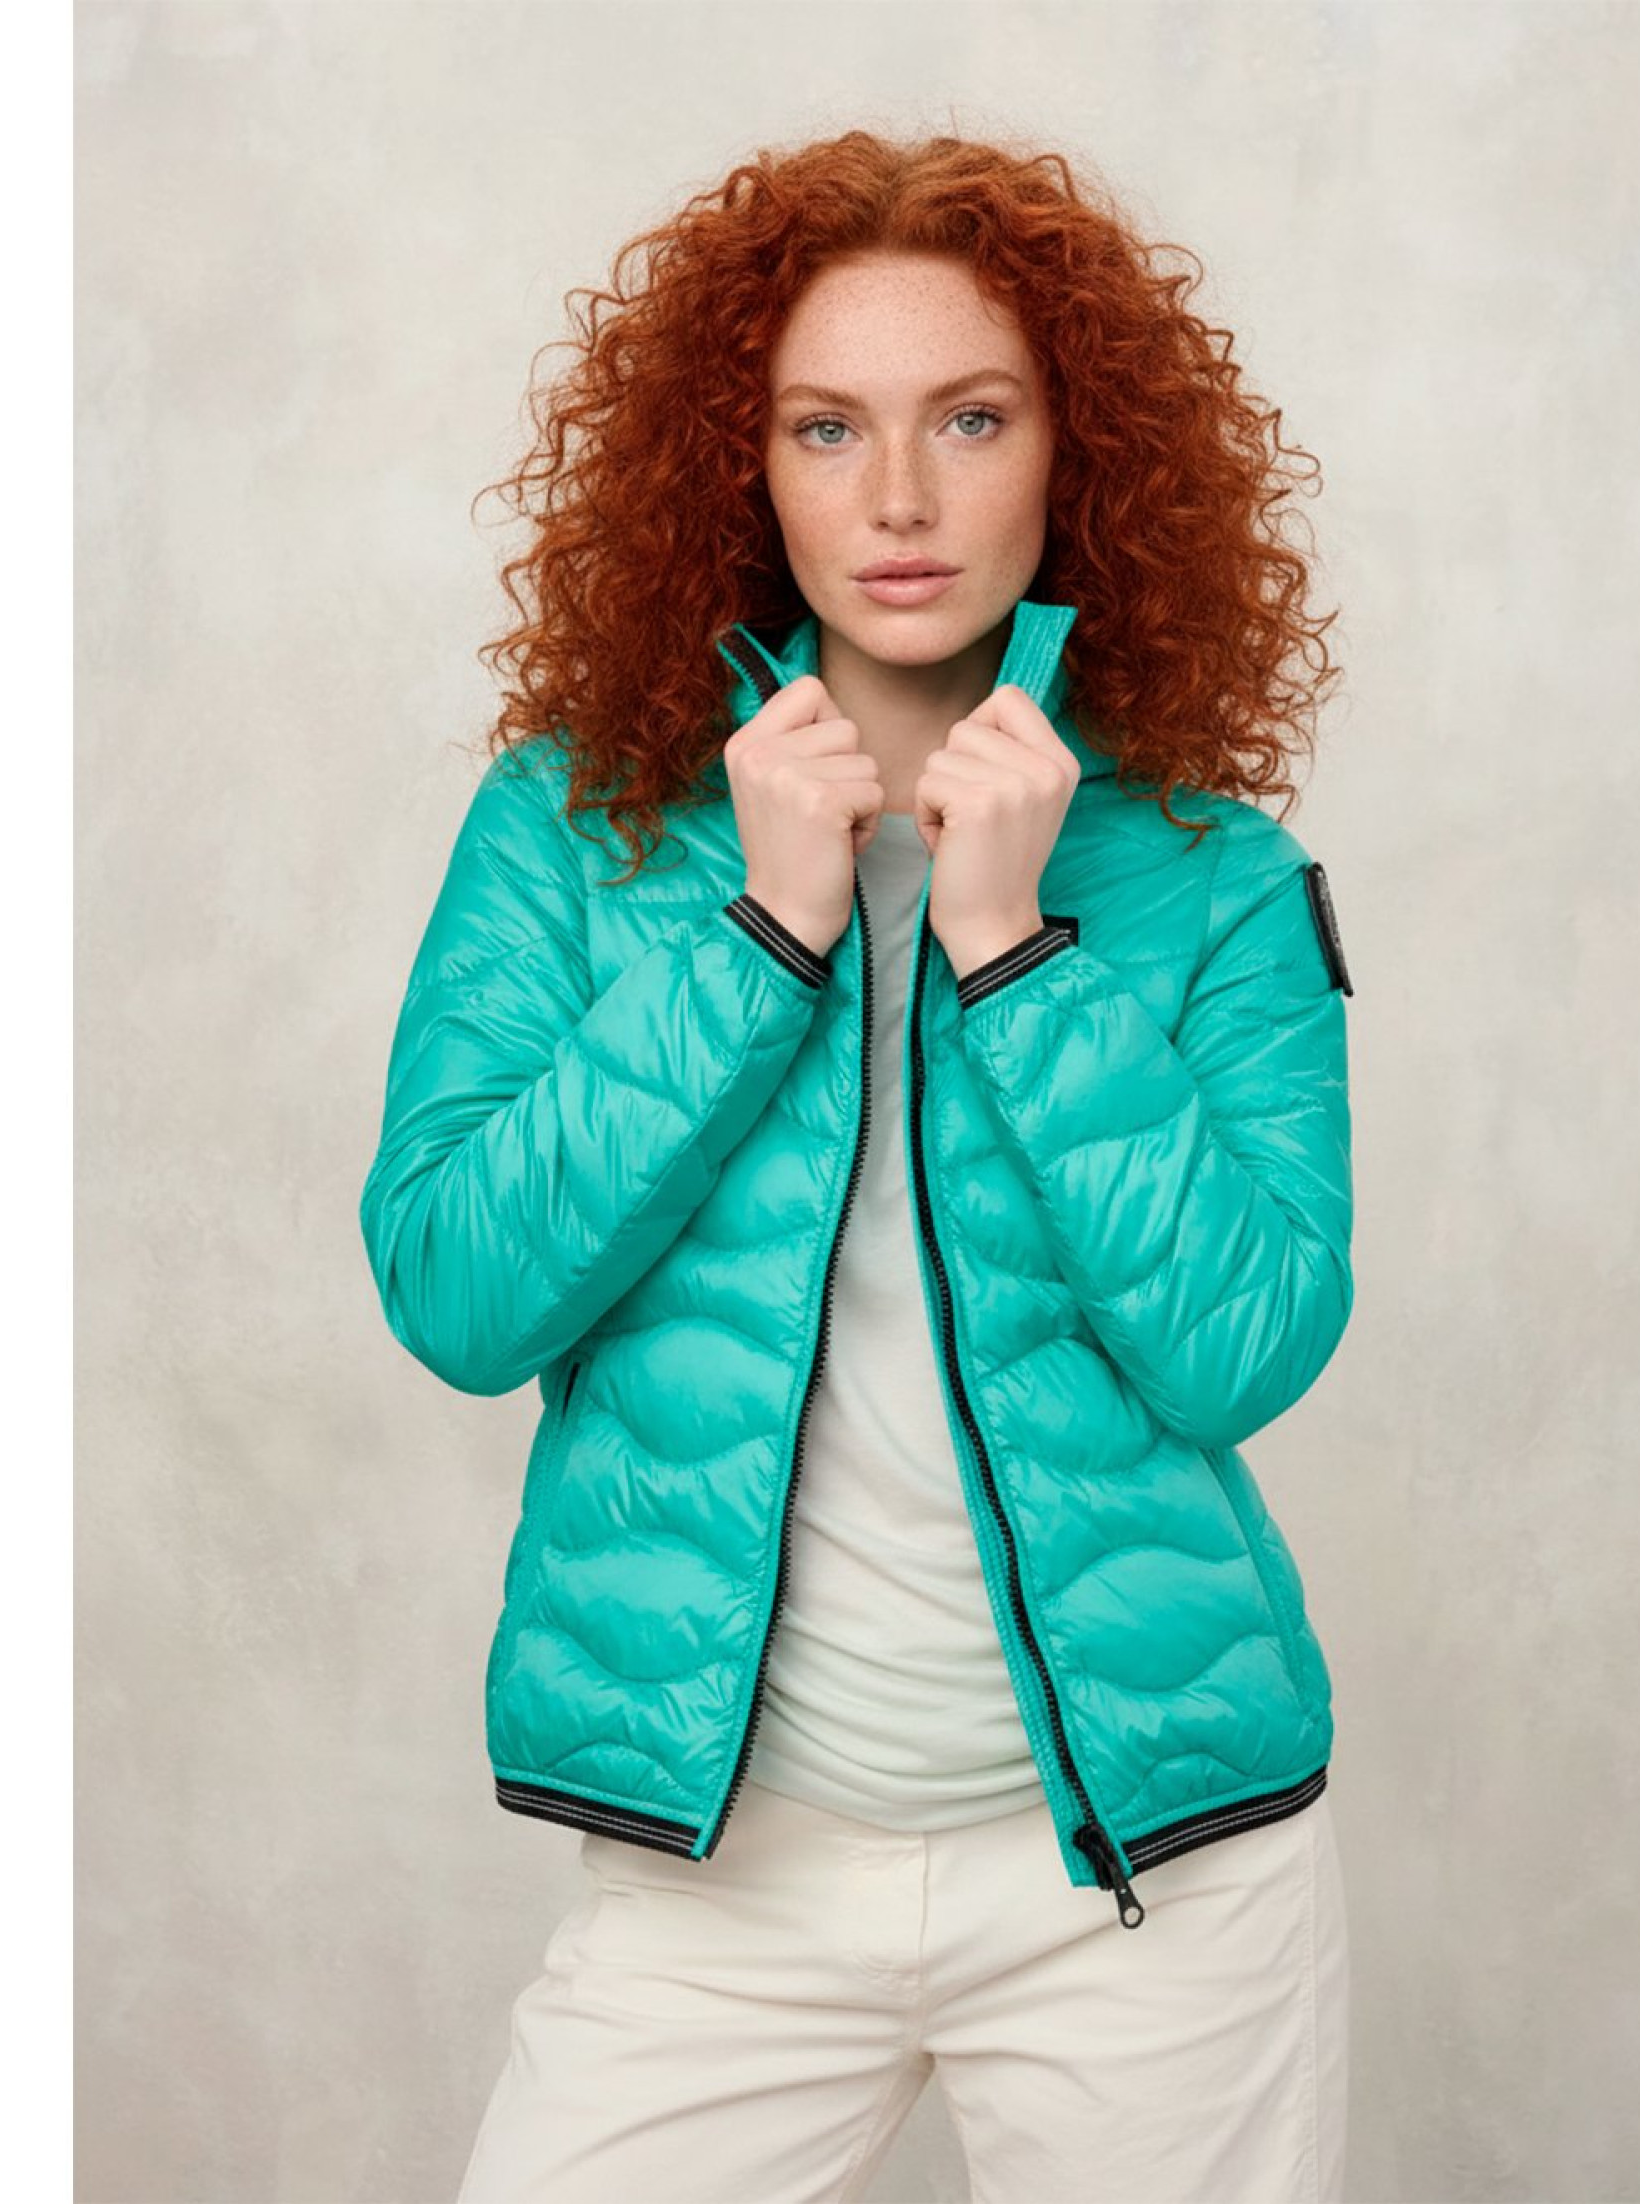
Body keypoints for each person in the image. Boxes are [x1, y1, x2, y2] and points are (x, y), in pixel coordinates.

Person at [359, 128, 1358, 2204]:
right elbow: (457, 1289)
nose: (898, 497)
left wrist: (1014, 953)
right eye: (827, 427)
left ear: (1074, 456)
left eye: (969, 419)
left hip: (1151, 1886)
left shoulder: (1213, 878)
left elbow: (1245, 1345)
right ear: (743, 468)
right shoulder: (570, 831)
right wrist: (761, 936)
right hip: (724, 1878)